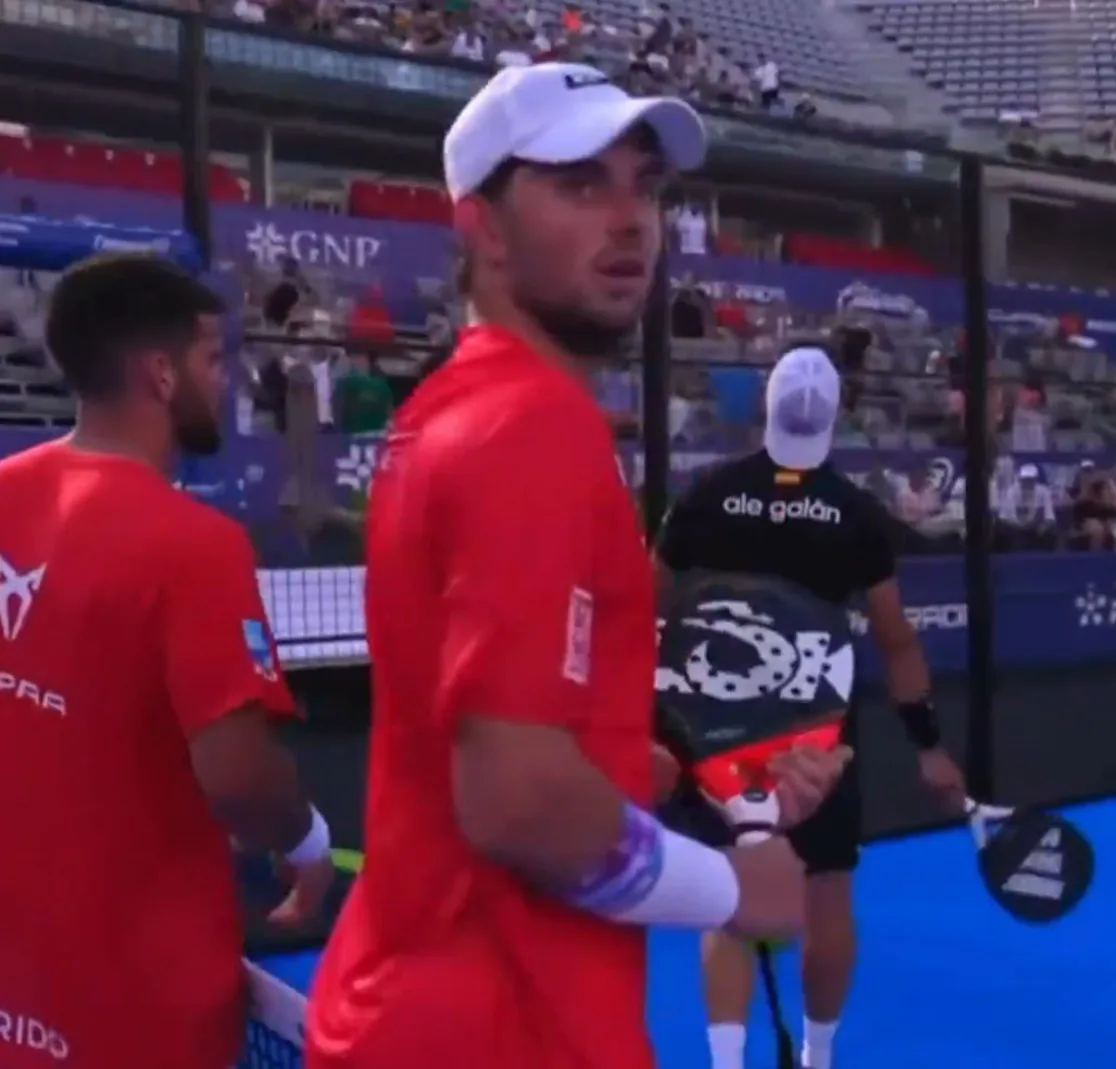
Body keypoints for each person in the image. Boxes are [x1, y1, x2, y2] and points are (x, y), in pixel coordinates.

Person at [303, 66, 847, 1069]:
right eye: (581, 184)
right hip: (502, 1030)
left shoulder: (444, 414)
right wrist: (738, 889)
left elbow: (508, 741)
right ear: (483, 229)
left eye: (645, 185)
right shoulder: (531, 427)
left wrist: (689, 784)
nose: (633, 219)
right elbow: (517, 800)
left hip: (417, 1008)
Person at [0, 254, 333, 1069]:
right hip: (136, 988)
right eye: (212, 359)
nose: (221, 382)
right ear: (160, 372)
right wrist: (311, 845)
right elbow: (239, 776)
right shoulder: (196, 546)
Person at [655, 345, 969, 1069]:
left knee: (730, 896)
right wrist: (927, 745)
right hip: (815, 735)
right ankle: (818, 1057)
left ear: (767, 408)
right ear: (835, 419)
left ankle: (727, 1063)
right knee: (827, 893)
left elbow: (646, 607)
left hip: (713, 726)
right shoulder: (855, 515)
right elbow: (896, 643)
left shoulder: (707, 494)